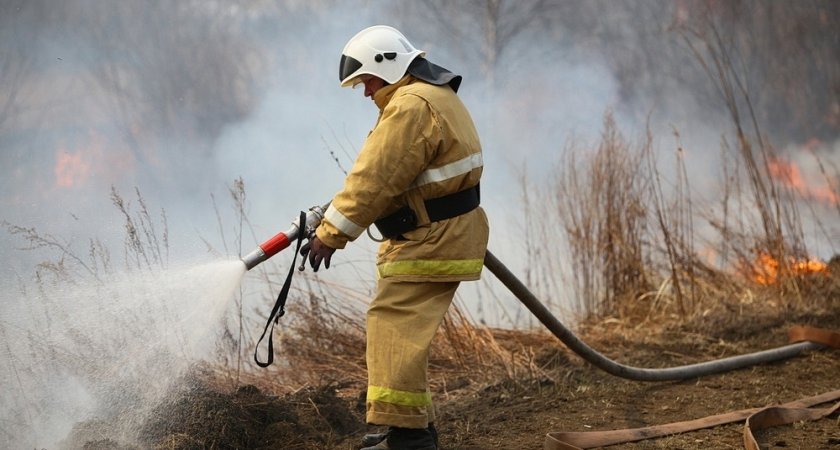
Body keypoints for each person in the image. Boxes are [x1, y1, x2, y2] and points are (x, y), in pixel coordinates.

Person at [301, 25, 489, 450]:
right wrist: (332, 214)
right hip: (438, 231)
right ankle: (407, 429)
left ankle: (407, 439)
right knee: (401, 328)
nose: (366, 92)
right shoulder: (431, 96)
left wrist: (330, 234)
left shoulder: (410, 106)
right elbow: (395, 178)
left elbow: (374, 179)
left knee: (394, 325)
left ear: (389, 66)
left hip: (429, 237)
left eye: (366, 80)